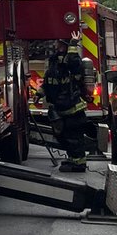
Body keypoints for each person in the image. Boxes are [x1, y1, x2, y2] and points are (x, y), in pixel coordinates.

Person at [42, 34, 91, 172]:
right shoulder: (55, 60)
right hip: (62, 106)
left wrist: (73, 45)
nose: (56, 44)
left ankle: (78, 164)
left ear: (64, 44)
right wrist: (41, 92)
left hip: (73, 107)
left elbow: (75, 65)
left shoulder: (72, 61)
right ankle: (72, 158)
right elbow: (49, 79)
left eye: (59, 42)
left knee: (74, 137)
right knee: (65, 136)